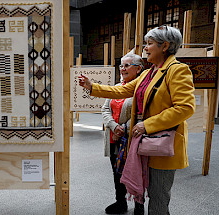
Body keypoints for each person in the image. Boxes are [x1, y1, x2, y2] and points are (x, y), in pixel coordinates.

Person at [79, 25, 195, 214]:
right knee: (145, 189)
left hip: (162, 145)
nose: (145, 48)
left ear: (165, 46)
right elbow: (122, 90)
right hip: (145, 143)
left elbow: (185, 108)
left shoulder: (178, 70)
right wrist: (93, 87)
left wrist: (147, 125)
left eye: (149, 44)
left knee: (158, 198)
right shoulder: (151, 73)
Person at [101, 53, 144, 214]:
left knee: (135, 171)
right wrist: (113, 126)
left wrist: (124, 128)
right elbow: (105, 108)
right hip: (114, 137)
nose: (122, 69)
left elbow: (142, 114)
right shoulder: (117, 86)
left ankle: (139, 204)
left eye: (127, 65)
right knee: (117, 171)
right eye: (121, 66)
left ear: (138, 68)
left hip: (131, 138)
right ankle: (121, 202)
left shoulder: (141, 89)